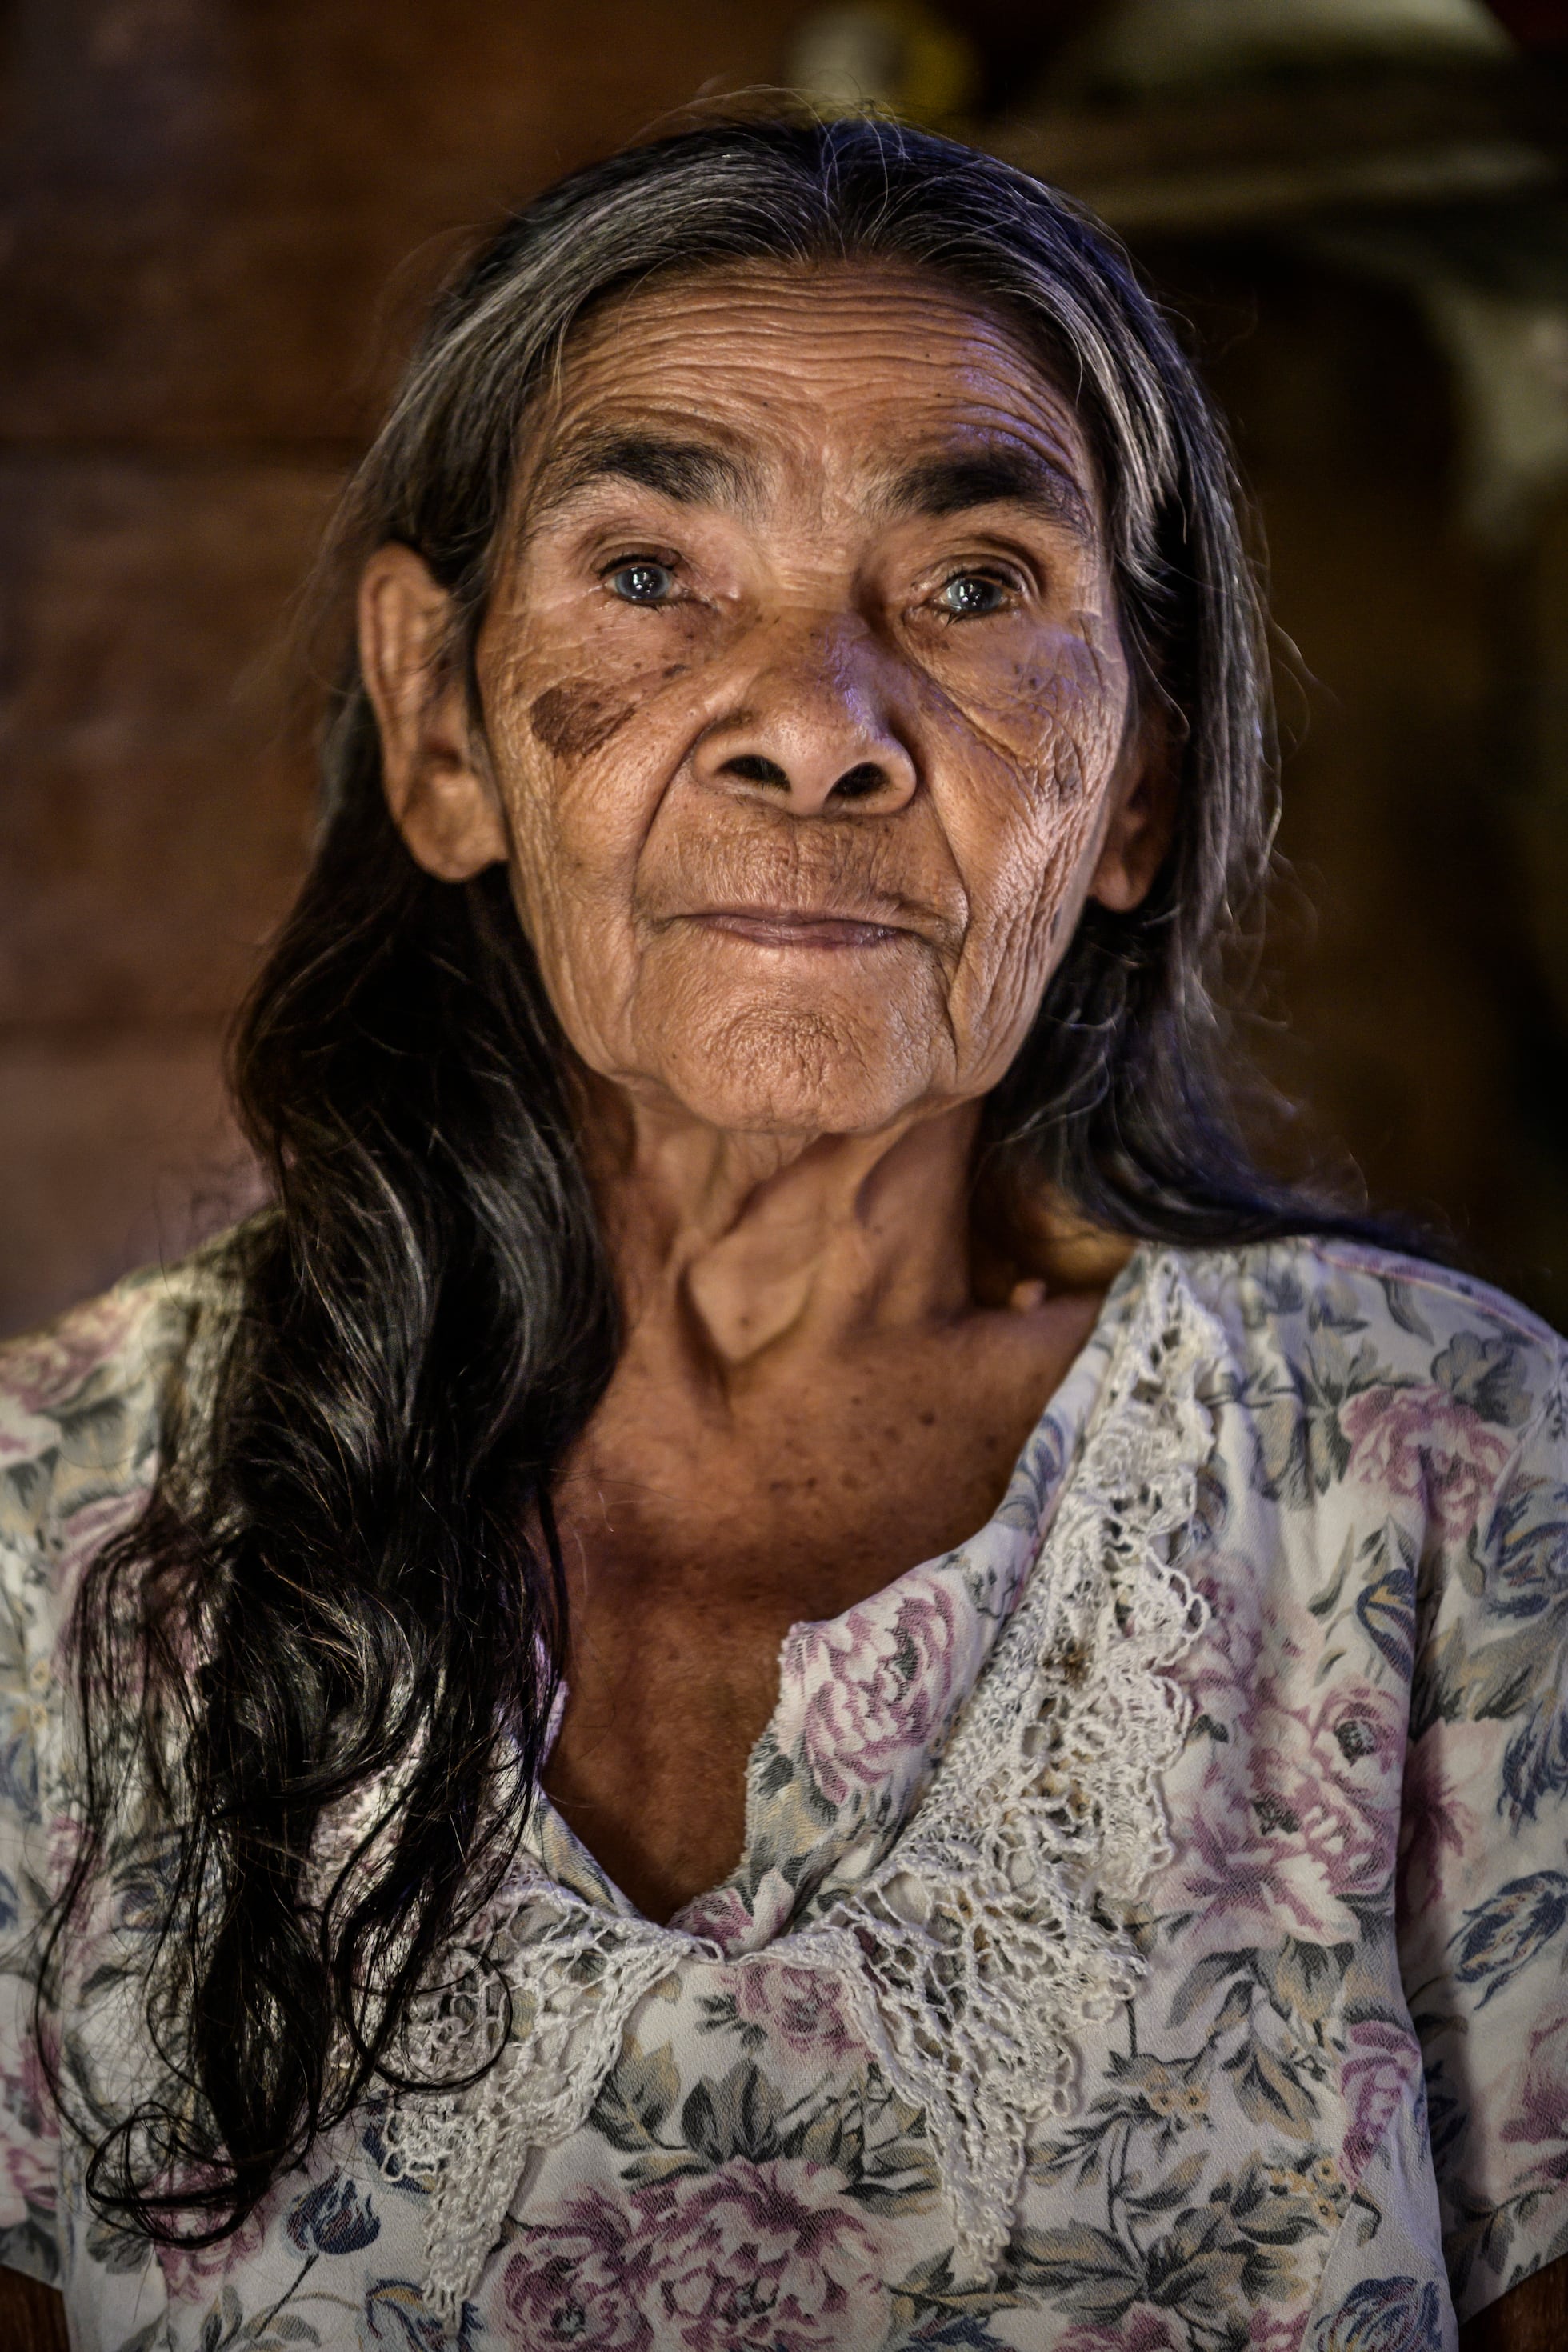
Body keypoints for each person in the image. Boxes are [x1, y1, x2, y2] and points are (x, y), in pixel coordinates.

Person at [0, 112, 1562, 2352]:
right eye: (650, 573)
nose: (817, 729)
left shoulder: (1445, 1484)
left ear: (1130, 789)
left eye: (975, 589)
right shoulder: (55, 1527)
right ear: (442, 726)